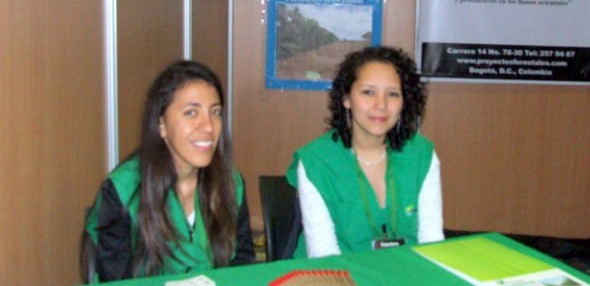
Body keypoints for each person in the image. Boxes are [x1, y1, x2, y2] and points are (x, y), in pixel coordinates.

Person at [81, 60, 255, 282]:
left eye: (215, 112)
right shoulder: (124, 191)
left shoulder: (230, 183)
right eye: (191, 113)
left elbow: (243, 267)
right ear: (161, 125)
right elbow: (116, 280)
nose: (209, 126)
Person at [287, 46, 444, 258]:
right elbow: (323, 252)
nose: (381, 105)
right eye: (368, 92)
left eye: (393, 94)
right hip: (336, 271)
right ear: (346, 98)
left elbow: (432, 242)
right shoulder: (316, 160)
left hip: (407, 269)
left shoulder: (421, 155)